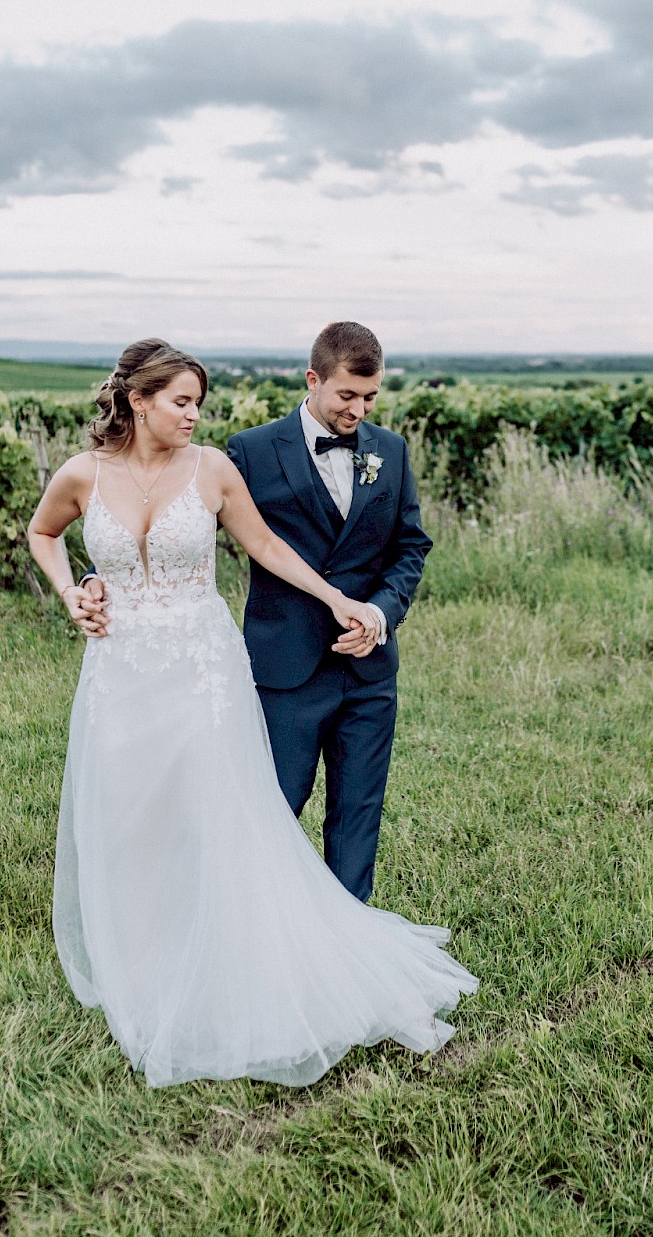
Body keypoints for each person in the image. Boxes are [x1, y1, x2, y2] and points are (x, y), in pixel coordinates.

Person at [28, 337, 476, 1089]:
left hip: (202, 668)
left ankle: (223, 948)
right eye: (181, 402)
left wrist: (341, 600)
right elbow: (43, 535)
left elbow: (266, 545)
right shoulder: (81, 474)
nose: (194, 416)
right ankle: (139, 955)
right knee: (129, 809)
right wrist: (75, 588)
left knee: (216, 811)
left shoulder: (212, 469)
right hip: (120, 670)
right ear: (139, 401)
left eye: (199, 403)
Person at [225, 321, 431, 903]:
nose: (359, 409)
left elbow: (409, 547)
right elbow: (179, 528)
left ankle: (351, 939)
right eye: (347, 395)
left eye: (370, 397)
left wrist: (380, 613)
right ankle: (255, 926)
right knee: (275, 807)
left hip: (369, 671)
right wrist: (98, 575)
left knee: (358, 814)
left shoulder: (390, 450)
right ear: (313, 380)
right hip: (285, 667)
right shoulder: (250, 450)